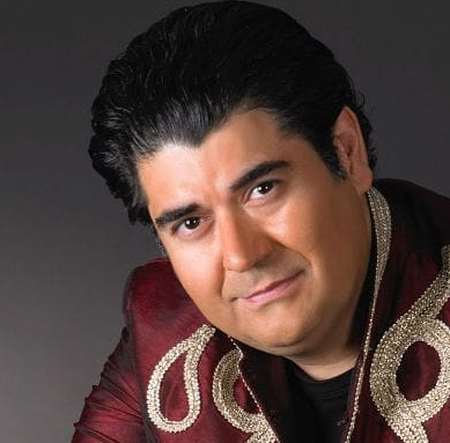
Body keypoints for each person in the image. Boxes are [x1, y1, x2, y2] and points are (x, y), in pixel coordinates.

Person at [72, 1, 450, 442]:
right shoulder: (163, 328)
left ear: (347, 153)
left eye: (263, 189)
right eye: (190, 223)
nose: (241, 256)